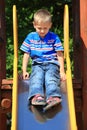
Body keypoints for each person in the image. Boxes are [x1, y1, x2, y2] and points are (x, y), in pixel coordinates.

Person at [20, 9, 66, 110]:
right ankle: (37, 96)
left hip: (52, 64)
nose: (42, 31)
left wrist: (62, 71)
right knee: (36, 78)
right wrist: (24, 70)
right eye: (39, 28)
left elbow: (59, 54)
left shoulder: (54, 37)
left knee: (51, 78)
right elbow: (26, 54)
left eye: (45, 28)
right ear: (34, 25)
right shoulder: (31, 37)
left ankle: (53, 97)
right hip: (37, 64)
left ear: (50, 25)